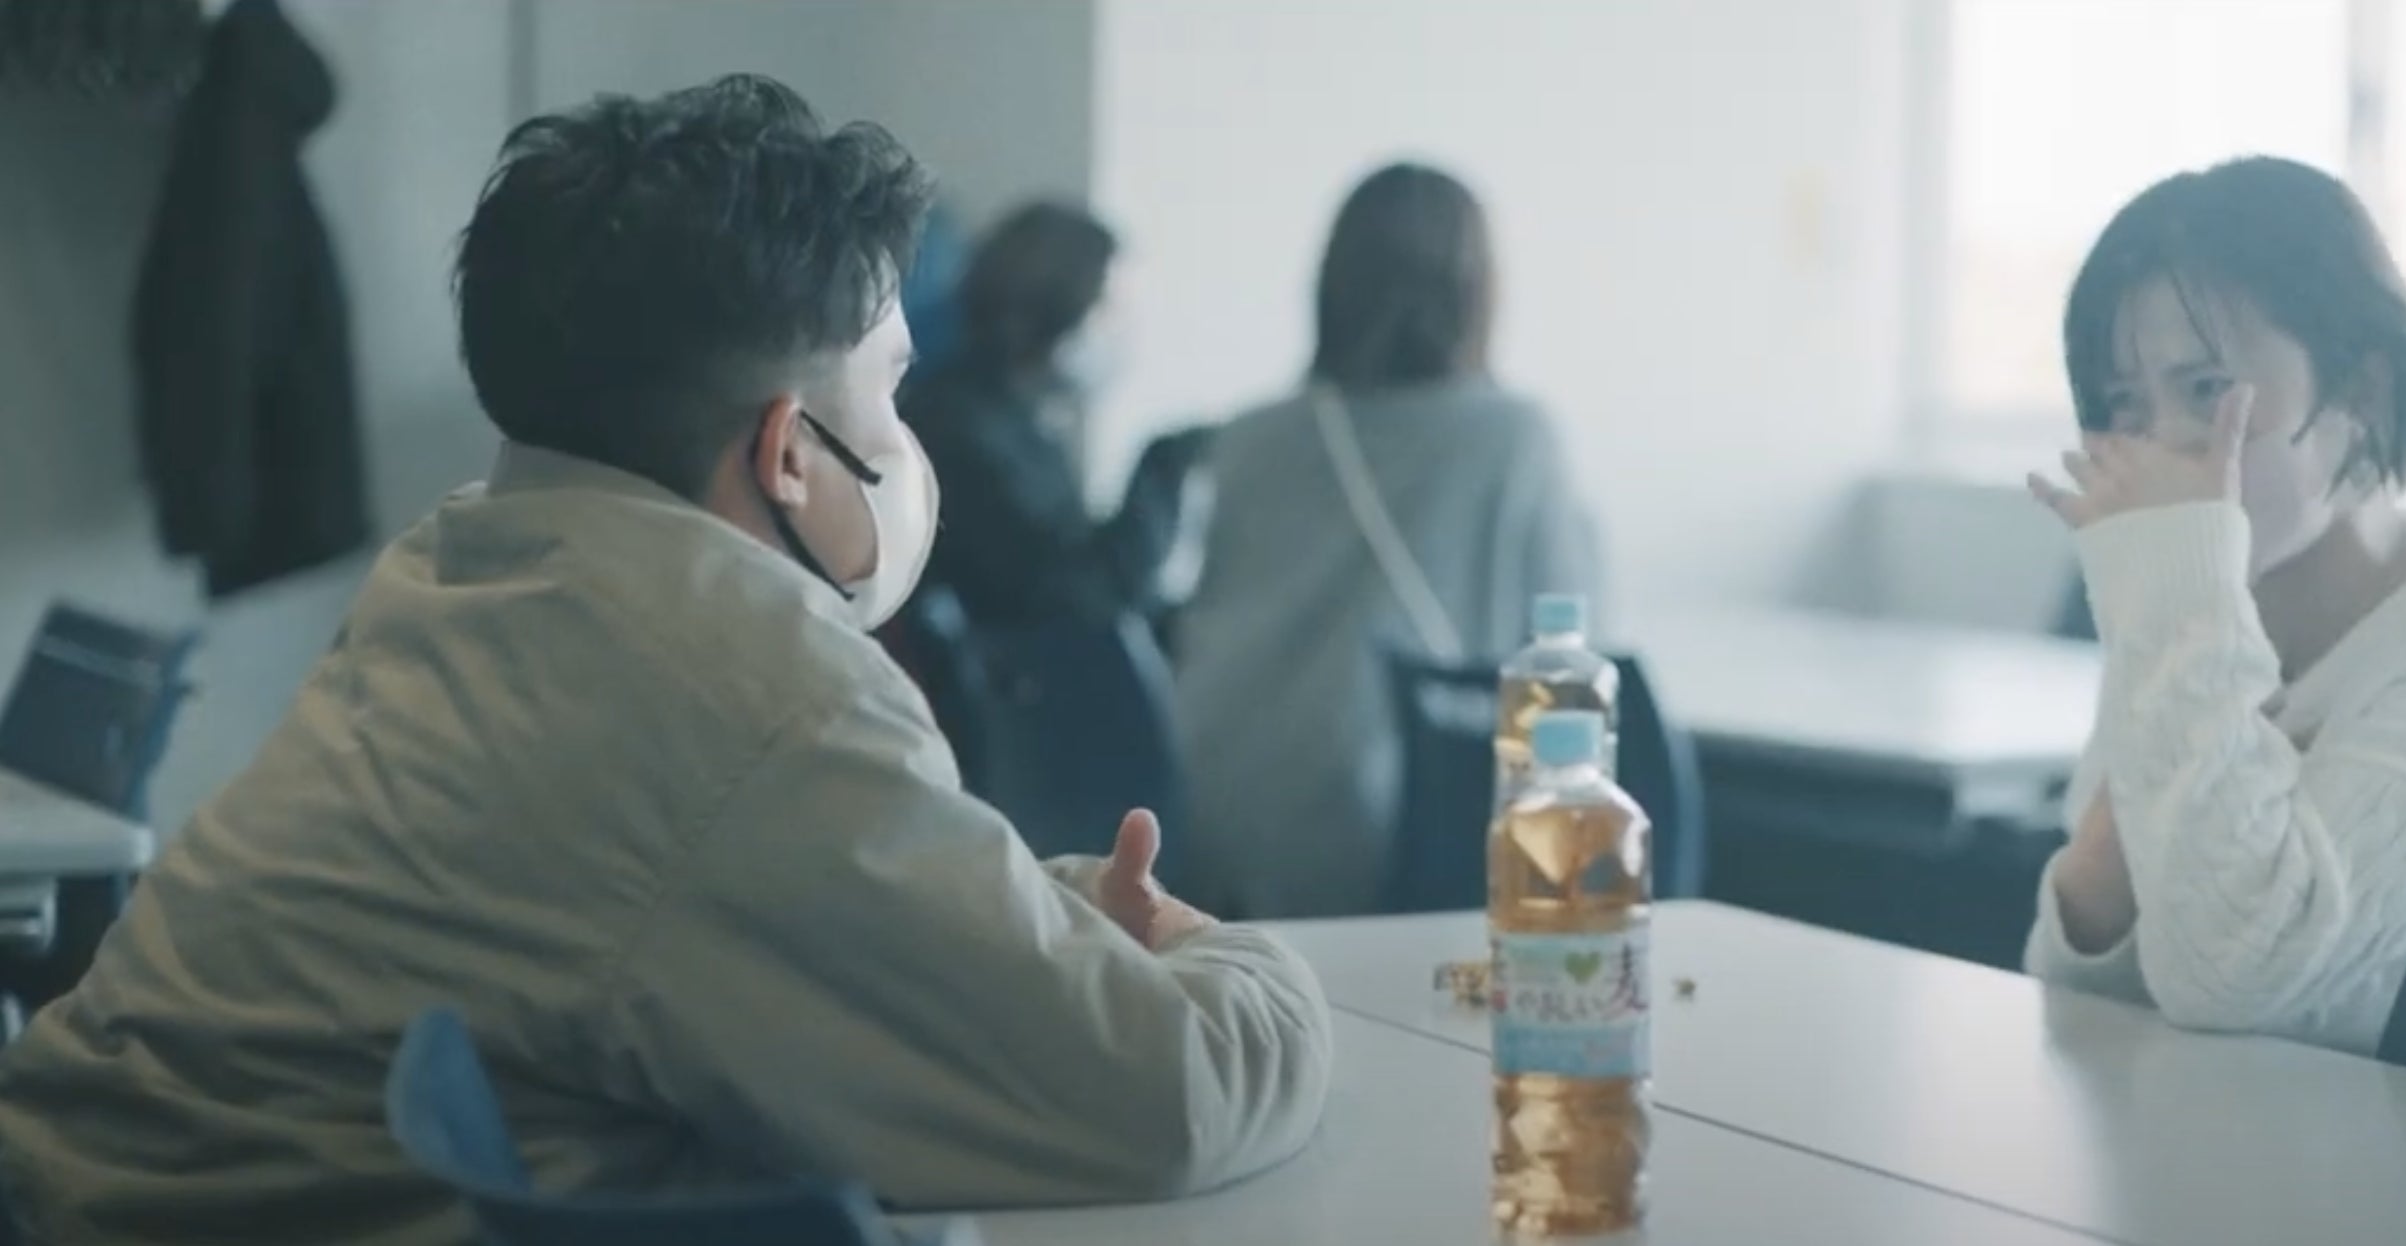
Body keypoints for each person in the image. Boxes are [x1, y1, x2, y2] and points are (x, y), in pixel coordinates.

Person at [0, 76, 1330, 1246]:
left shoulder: (476, 563)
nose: (905, 433)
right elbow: (1175, 1092)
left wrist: (1049, 914)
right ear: (789, 451)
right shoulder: (749, 695)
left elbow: (734, 893)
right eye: (889, 385)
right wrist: (1216, 950)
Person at [2018, 156, 2406, 1055]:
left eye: (2206, 389)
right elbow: (2072, 989)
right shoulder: (2195, 592)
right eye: (2124, 405)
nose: (2162, 446)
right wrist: (2121, 851)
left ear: (2360, 390)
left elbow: (2236, 984)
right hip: (2205, 1131)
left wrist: (2163, 797)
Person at [1174, 163, 1603, 919]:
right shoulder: (1513, 441)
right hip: (1392, 827)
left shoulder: (1246, 438)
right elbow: (1574, 653)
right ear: (1477, 291)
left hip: (1213, 804)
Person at [898, 201, 1207, 628]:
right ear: (1055, 304)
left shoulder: (1020, 422)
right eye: (1108, 308)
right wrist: (1162, 466)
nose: (1122, 332)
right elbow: (1075, 600)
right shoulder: (957, 430)